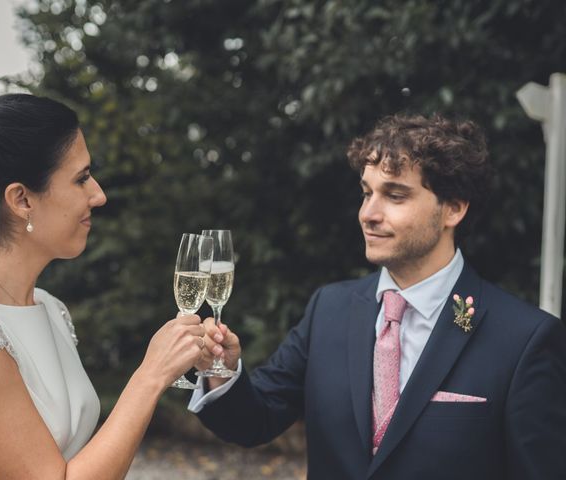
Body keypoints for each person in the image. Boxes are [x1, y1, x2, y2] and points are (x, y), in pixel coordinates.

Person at [191, 114, 566, 479]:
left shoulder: (525, 340)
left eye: (395, 195)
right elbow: (254, 421)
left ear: (453, 208)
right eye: (367, 193)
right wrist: (220, 369)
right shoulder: (329, 309)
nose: (368, 214)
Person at [0, 85, 210, 479]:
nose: (99, 196)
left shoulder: (49, 308)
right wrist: (151, 375)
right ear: (21, 199)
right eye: (82, 179)